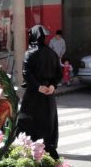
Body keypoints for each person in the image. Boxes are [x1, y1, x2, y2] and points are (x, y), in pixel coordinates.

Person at [16, 25, 62, 159]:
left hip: (34, 94)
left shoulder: (30, 53)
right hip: (48, 94)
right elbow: (58, 73)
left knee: (26, 121)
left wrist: (37, 87)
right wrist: (52, 86)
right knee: (48, 121)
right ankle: (47, 151)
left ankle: (29, 150)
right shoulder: (52, 53)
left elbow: (26, 73)